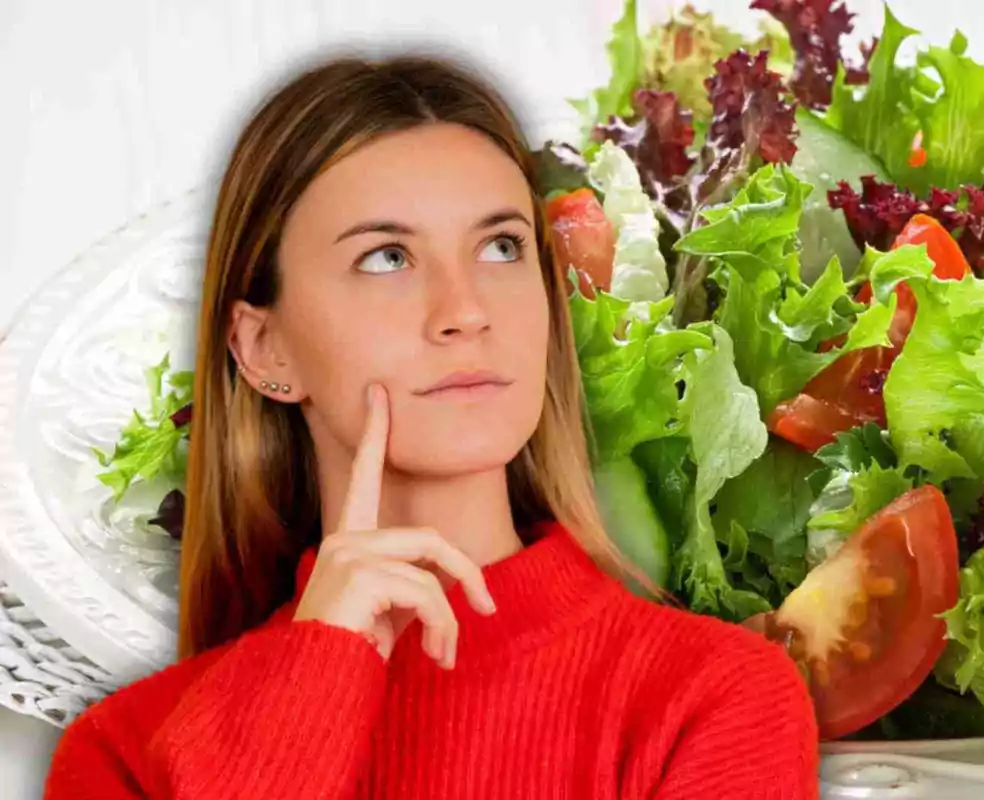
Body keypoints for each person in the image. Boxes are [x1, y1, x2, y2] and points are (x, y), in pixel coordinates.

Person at [44, 55, 819, 799]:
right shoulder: (124, 753)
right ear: (263, 346)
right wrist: (311, 685)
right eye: (386, 258)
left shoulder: (712, 699)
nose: (465, 311)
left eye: (501, 247)